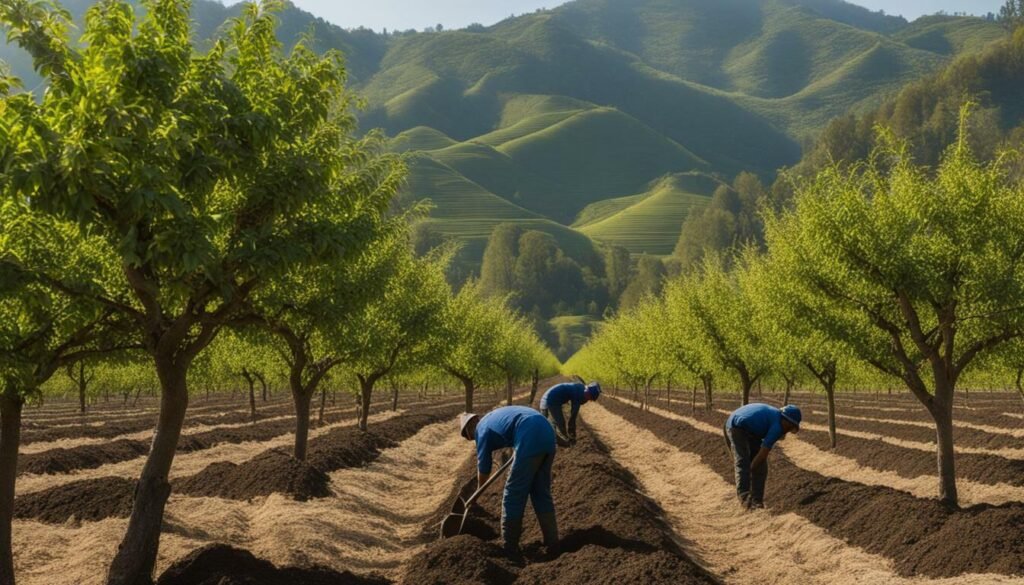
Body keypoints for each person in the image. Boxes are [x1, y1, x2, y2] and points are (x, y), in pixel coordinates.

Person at [460, 406, 558, 558]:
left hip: (529, 434)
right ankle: (552, 543)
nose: (472, 439)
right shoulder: (492, 418)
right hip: (546, 432)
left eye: (469, 437)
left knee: (513, 493)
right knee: (540, 492)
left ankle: (509, 548)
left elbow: (484, 467)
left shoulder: (481, 430)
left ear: (469, 428)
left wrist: (479, 491)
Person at [723, 403, 801, 509]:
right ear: (785, 420)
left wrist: (751, 469)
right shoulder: (777, 427)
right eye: (788, 426)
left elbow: (761, 455)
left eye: (791, 428)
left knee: (760, 467)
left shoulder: (777, 420)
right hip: (736, 426)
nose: (787, 430)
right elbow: (763, 454)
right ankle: (745, 501)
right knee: (743, 462)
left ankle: (757, 501)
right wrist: (749, 470)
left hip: (752, 431)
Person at [539, 380, 600, 447]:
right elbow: (573, 417)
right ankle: (561, 441)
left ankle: (557, 440)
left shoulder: (580, 388)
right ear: (587, 393)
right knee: (559, 422)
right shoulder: (578, 393)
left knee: (554, 422)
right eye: (589, 398)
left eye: (590, 399)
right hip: (548, 400)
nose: (588, 400)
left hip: (553, 398)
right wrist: (572, 435)